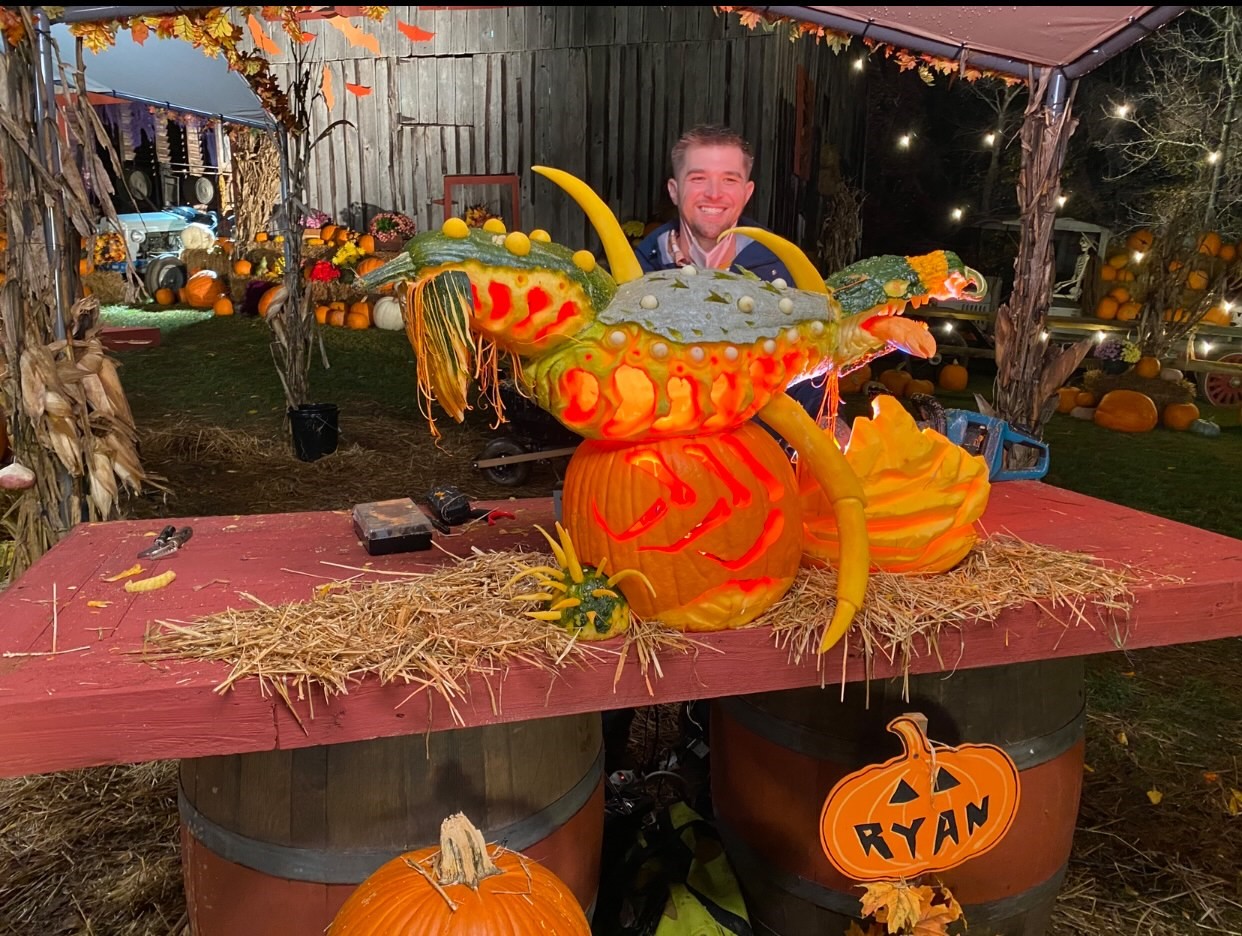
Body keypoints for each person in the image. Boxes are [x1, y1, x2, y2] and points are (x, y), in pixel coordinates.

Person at [605, 127, 827, 775]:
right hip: (646, 475)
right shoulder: (632, 269)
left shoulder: (777, 272)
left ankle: (711, 760)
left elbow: (809, 373)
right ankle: (611, 764)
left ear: (748, 191)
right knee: (628, 613)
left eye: (730, 179)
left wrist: (784, 446)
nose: (715, 192)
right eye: (700, 177)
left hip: (745, 475)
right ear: (675, 189)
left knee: (736, 621)